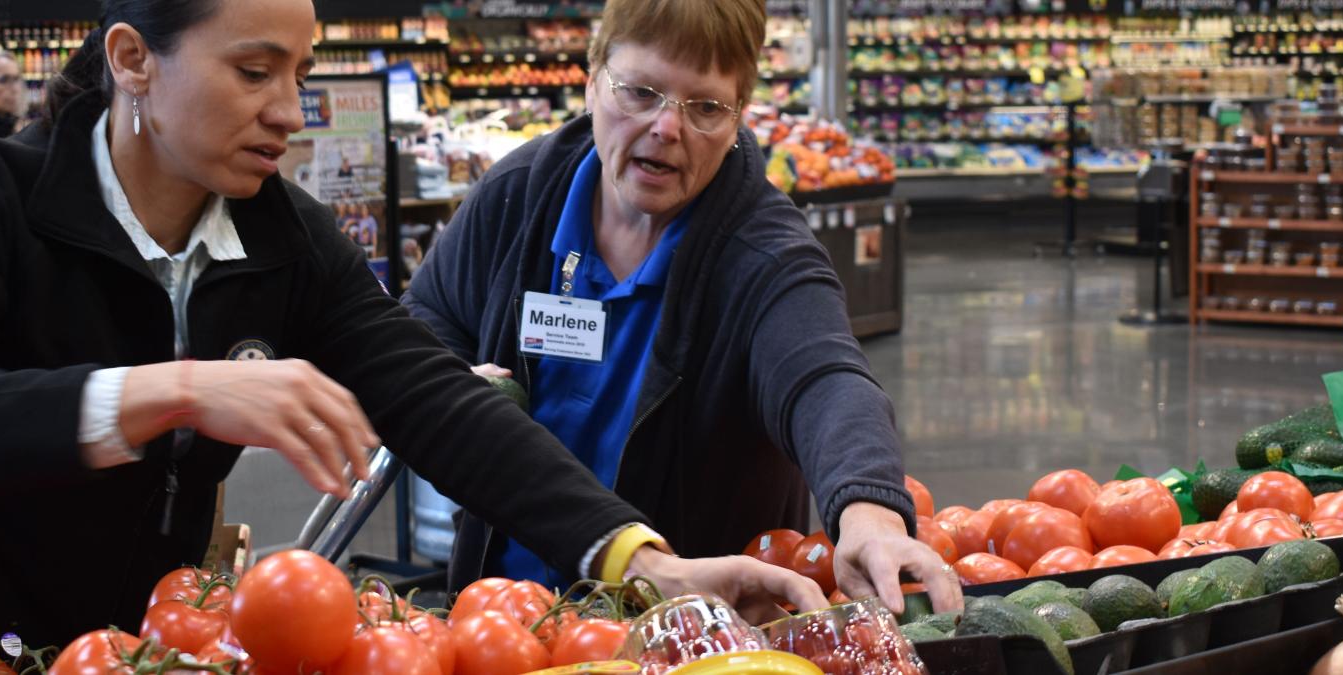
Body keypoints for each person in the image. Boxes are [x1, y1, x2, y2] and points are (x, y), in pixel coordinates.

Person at [0, 1, 827, 671]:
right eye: (253, 71)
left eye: (299, 72)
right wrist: (172, 389)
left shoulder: (282, 236)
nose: (291, 108)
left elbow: (433, 396)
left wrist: (643, 558)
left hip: (108, 648)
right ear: (135, 60)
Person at [400, 0, 963, 616]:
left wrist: (869, 512)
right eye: (640, 92)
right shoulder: (520, 197)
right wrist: (453, 380)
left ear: (740, 114)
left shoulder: (762, 251)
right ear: (592, 82)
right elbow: (426, 319)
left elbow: (824, 379)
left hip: (694, 634)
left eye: (706, 108)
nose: (668, 128)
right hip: (503, 618)